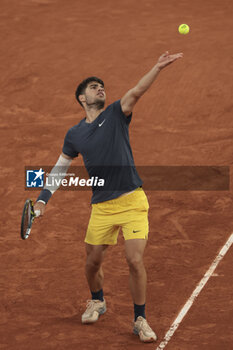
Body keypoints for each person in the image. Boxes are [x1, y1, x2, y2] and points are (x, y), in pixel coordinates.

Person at [34, 51, 183, 343]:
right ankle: (97, 301)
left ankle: (140, 318)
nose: (100, 88)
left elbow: (137, 91)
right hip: (102, 207)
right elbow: (60, 168)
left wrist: (157, 67)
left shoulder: (116, 114)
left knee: (134, 260)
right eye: (93, 87)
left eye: (101, 85)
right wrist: (42, 199)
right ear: (82, 99)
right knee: (92, 263)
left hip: (132, 201)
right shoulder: (74, 134)